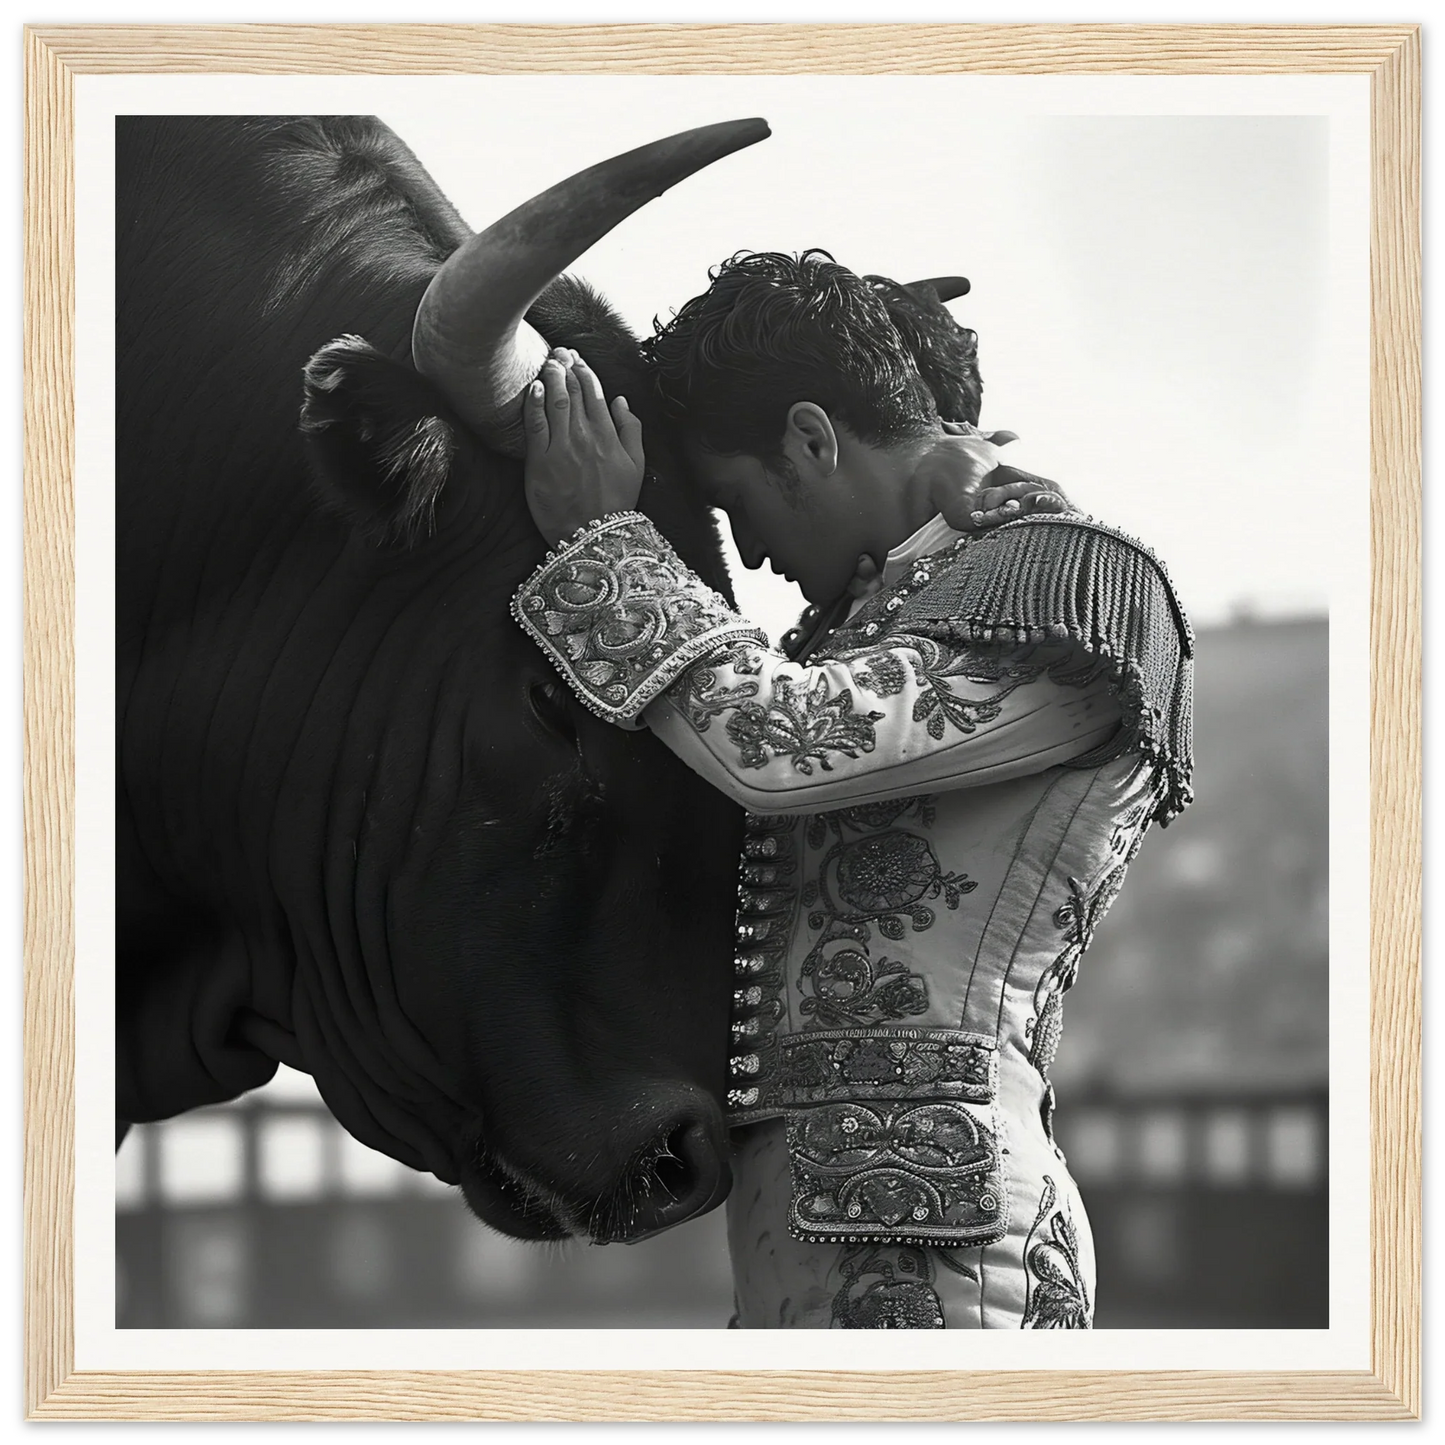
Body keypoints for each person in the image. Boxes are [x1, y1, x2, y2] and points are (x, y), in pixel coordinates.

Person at [512, 251, 1194, 1329]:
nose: (749, 556)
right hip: (816, 1239)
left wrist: (603, 543)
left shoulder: (1074, 583)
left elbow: (778, 743)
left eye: (735, 502)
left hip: (950, 1247)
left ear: (811, 437)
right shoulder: (877, 613)